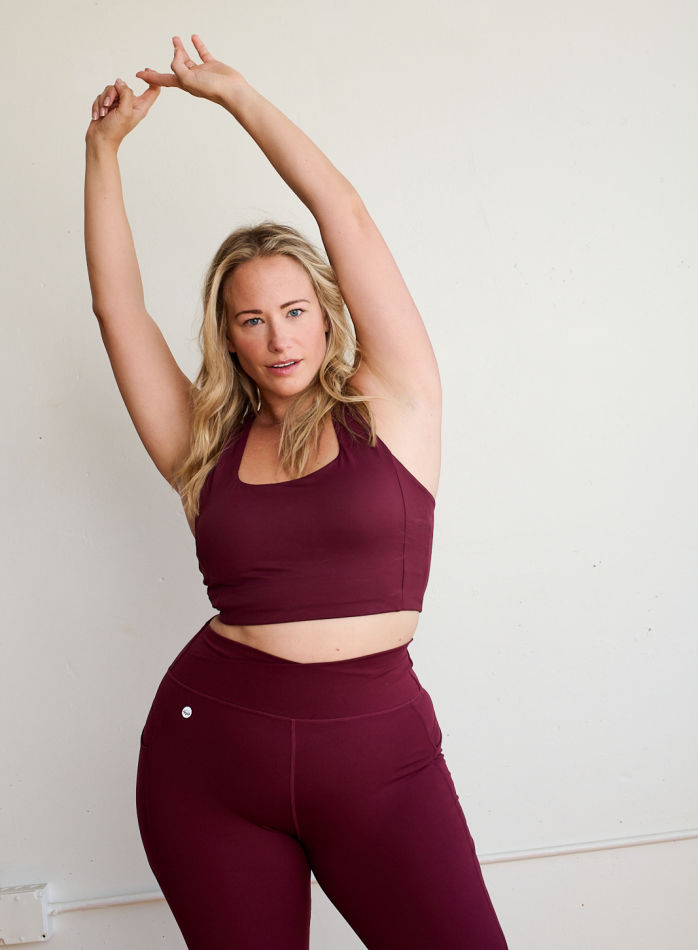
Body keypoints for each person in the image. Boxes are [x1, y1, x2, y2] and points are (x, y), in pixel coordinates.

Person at [84, 34, 509, 950]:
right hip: (210, 764)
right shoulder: (203, 445)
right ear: (229, 337)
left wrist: (238, 97)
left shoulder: (396, 401)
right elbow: (118, 311)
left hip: (380, 766)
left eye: (294, 312)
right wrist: (103, 152)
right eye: (251, 320)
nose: (278, 339)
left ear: (327, 313)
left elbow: (341, 211)